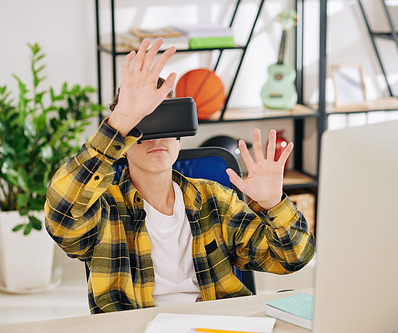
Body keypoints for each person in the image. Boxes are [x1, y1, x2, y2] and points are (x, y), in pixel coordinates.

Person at [44, 38, 315, 314]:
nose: (157, 136)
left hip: (216, 323)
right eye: (144, 125)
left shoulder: (216, 201)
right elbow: (61, 216)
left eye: (166, 122)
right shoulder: (104, 210)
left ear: (180, 138)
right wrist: (121, 120)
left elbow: (294, 258)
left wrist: (273, 203)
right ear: (123, 146)